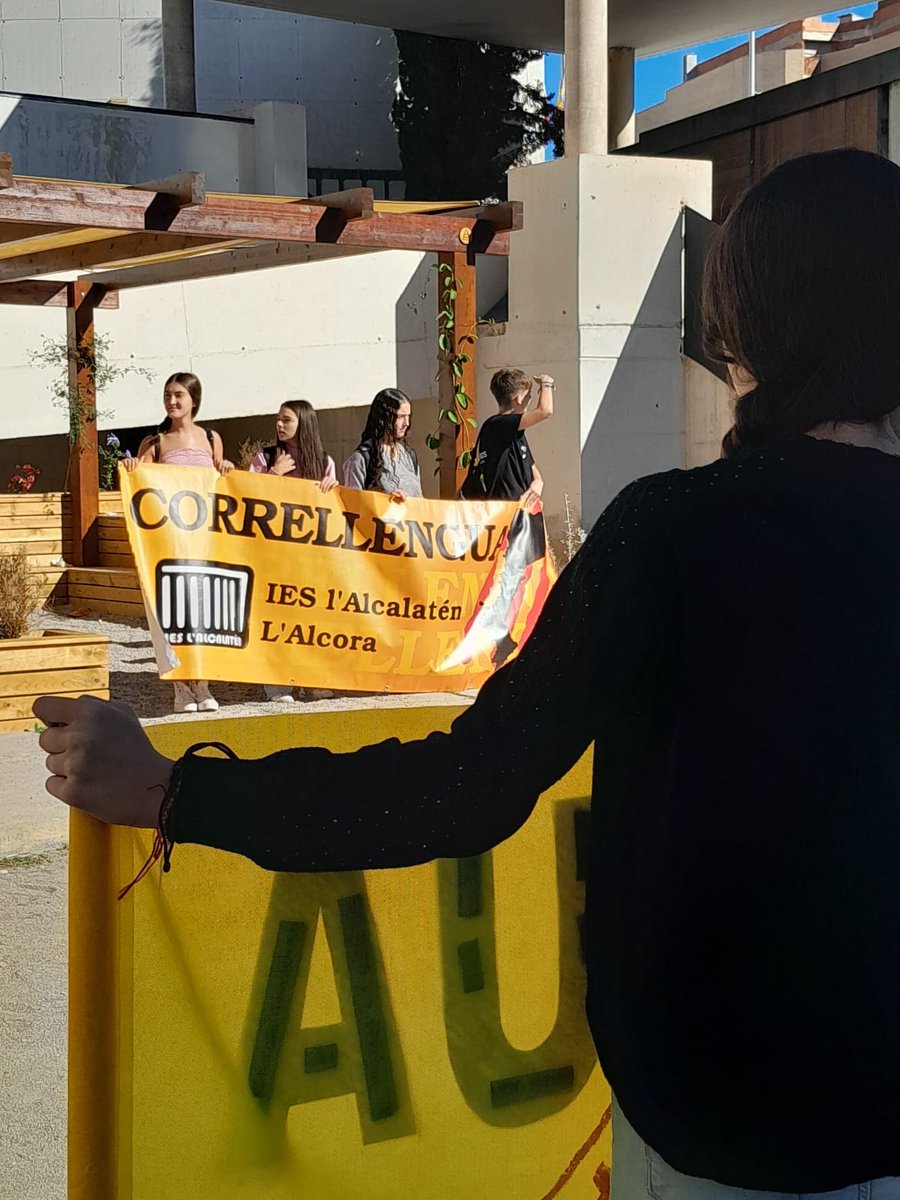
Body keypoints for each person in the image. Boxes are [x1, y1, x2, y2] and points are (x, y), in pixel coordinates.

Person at [35, 148, 900, 1198]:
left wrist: (175, 790)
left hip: (725, 1141)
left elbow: (467, 787)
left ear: (742, 325)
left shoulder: (676, 535)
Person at [125, 372, 234, 715]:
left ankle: (201, 680)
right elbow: (140, 483)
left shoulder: (211, 437)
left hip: (202, 541)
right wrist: (131, 466)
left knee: (203, 609)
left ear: (193, 400)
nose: (172, 401)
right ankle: (180, 686)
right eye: (168, 395)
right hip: (169, 540)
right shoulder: (154, 443)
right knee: (175, 609)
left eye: (179, 396)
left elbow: (221, 481)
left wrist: (227, 467)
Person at [248, 400, 337, 703]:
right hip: (273, 553)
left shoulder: (323, 462)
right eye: (278, 419)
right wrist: (273, 474)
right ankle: (278, 685)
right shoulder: (266, 457)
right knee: (275, 617)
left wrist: (333, 490)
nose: (279, 425)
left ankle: (312, 679)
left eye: (286, 420)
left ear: (304, 423)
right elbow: (246, 496)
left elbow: (334, 509)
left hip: (310, 556)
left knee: (309, 619)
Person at [460, 368, 554, 503]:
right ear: (519, 399)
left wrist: (538, 481)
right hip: (505, 510)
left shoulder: (511, 430)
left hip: (522, 507)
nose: (531, 399)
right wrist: (546, 384)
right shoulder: (499, 425)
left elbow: (528, 461)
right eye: (529, 395)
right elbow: (545, 411)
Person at [342, 388, 422, 500]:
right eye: (401, 417)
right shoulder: (361, 458)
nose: (406, 423)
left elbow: (420, 502)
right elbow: (352, 505)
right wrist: (386, 502)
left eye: (408, 416)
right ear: (385, 418)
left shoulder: (410, 456)